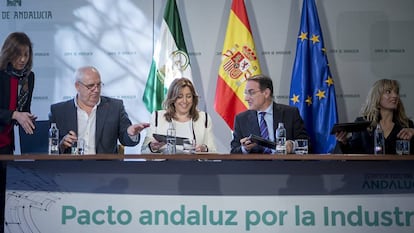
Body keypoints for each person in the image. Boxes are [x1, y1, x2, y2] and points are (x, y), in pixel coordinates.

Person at [49, 66, 149, 154]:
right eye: (90, 86)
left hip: (104, 169)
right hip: (69, 170)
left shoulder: (115, 107)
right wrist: (61, 145)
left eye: (99, 85)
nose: (96, 90)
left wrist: (130, 134)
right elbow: (47, 148)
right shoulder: (58, 111)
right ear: (77, 86)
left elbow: (126, 139)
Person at [0, 31, 36, 233]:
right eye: (18, 54)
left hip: (7, 144)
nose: (23, 59)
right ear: (8, 53)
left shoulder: (28, 78)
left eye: (26, 54)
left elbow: (23, 110)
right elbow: (11, 112)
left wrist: (26, 117)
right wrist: (14, 115)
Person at [230, 74, 309, 154]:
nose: (246, 98)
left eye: (251, 93)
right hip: (255, 166)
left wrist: (292, 145)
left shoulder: (290, 113)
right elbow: (233, 151)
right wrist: (245, 148)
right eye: (246, 93)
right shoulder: (241, 119)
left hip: (285, 165)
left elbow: (307, 143)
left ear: (266, 93)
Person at [335, 79, 414, 154]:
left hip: (400, 168)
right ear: (377, 97)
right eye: (388, 92)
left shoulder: (406, 125)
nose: (395, 96)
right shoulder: (362, 123)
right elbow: (354, 154)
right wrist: (344, 142)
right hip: (368, 168)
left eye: (396, 92)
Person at [141, 77, 216, 153]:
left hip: (194, 164)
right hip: (165, 164)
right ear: (172, 98)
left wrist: (204, 149)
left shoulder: (204, 118)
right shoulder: (157, 117)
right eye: (180, 97)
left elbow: (213, 152)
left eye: (189, 96)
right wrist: (152, 147)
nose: (184, 101)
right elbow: (144, 151)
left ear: (193, 98)